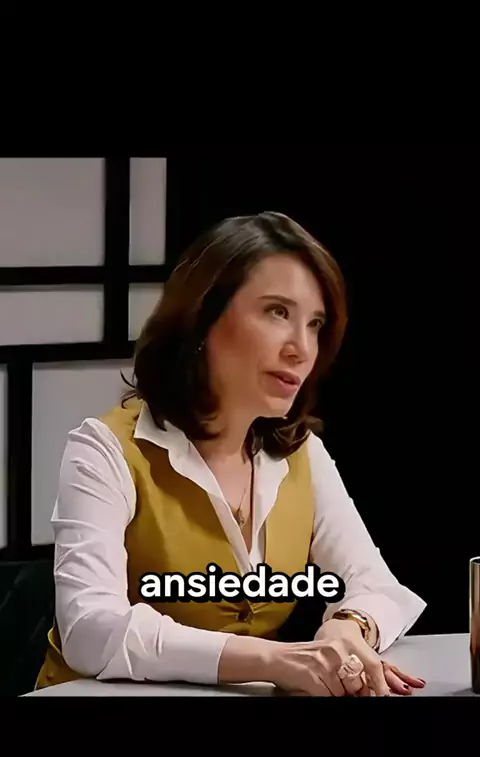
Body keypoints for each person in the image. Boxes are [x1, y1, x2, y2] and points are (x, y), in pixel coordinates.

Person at [36, 211, 427, 697]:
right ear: (202, 317)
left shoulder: (302, 455)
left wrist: (347, 628)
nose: (302, 348)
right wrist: (271, 659)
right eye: (277, 312)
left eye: (315, 324)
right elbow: (90, 629)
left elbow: (379, 587)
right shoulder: (105, 449)